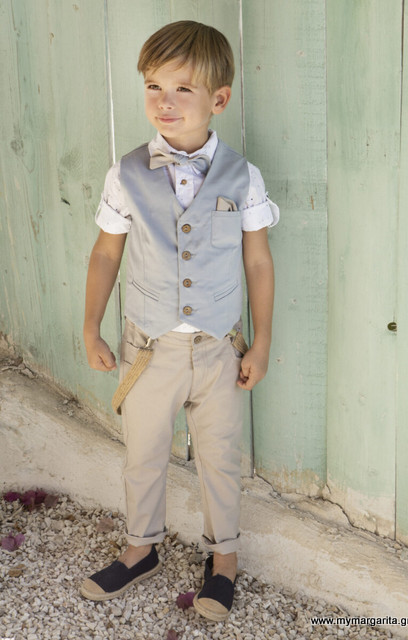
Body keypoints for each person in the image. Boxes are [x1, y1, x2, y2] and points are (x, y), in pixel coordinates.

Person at [80, 20, 279, 622]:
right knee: (143, 452)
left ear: (219, 99)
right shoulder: (126, 173)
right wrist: (90, 327)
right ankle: (141, 549)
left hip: (219, 349)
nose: (164, 102)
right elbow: (106, 253)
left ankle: (224, 561)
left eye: (182, 89)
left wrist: (261, 343)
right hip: (148, 347)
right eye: (153, 87)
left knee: (220, 456)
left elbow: (258, 261)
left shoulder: (243, 176)